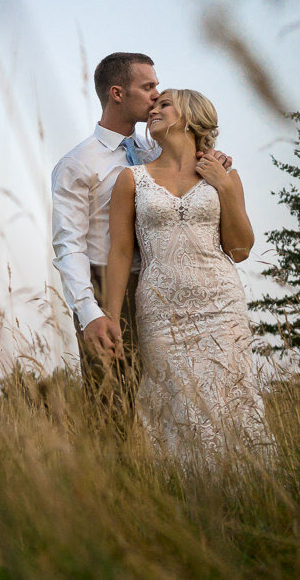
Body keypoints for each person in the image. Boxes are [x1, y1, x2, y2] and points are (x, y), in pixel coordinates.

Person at [51, 52, 228, 435]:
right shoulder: (78, 163)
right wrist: (89, 311)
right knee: (113, 409)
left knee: (170, 400)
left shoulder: (154, 154)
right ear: (117, 93)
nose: (156, 94)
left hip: (162, 286)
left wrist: (213, 159)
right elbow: (68, 245)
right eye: (148, 87)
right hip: (105, 289)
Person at [102, 89, 273, 461]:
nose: (154, 110)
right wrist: (111, 317)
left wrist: (224, 185)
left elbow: (240, 249)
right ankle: (184, 499)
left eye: (164, 104)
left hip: (221, 307)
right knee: (173, 405)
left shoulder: (224, 174)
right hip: (162, 313)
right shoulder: (131, 179)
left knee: (234, 399)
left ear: (192, 115)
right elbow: (119, 252)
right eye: (154, 104)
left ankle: (245, 490)